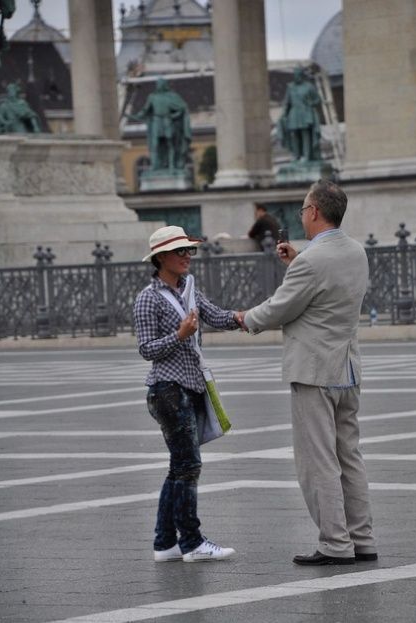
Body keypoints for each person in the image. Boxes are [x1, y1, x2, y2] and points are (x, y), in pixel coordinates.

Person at [238, 179, 377, 566]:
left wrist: (242, 318)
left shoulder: (313, 262)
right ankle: (362, 538)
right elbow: (324, 285)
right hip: (347, 368)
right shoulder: (355, 252)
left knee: (318, 462)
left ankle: (335, 543)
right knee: (349, 456)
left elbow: (280, 307)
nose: (301, 215)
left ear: (314, 212)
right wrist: (297, 260)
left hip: (316, 372)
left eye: (302, 209)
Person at [134, 225, 244, 563]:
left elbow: (216, 316)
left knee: (179, 466)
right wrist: (179, 336)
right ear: (160, 258)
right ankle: (191, 541)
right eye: (180, 251)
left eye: (189, 251)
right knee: (189, 465)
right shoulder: (148, 298)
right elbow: (146, 349)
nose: (187, 256)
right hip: (167, 390)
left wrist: (247, 318)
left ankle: (165, 543)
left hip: (192, 386)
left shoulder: (190, 290)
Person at [132, 77, 191, 171]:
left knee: (170, 143)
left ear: (164, 85)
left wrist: (174, 116)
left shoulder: (171, 96)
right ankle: (155, 165)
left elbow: (182, 108)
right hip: (156, 121)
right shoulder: (152, 97)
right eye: (157, 84)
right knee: (155, 144)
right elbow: (145, 109)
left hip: (167, 120)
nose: (158, 86)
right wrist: (136, 116)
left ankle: (172, 165)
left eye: (160, 84)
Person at [278, 65, 321, 162]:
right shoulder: (290, 87)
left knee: (305, 134)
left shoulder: (309, 86)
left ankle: (306, 155)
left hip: (305, 112)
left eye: (297, 75)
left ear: (301, 75)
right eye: (295, 75)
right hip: (294, 112)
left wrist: (312, 103)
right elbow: (286, 102)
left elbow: (317, 100)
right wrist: (284, 114)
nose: (296, 77)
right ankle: (296, 154)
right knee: (294, 134)